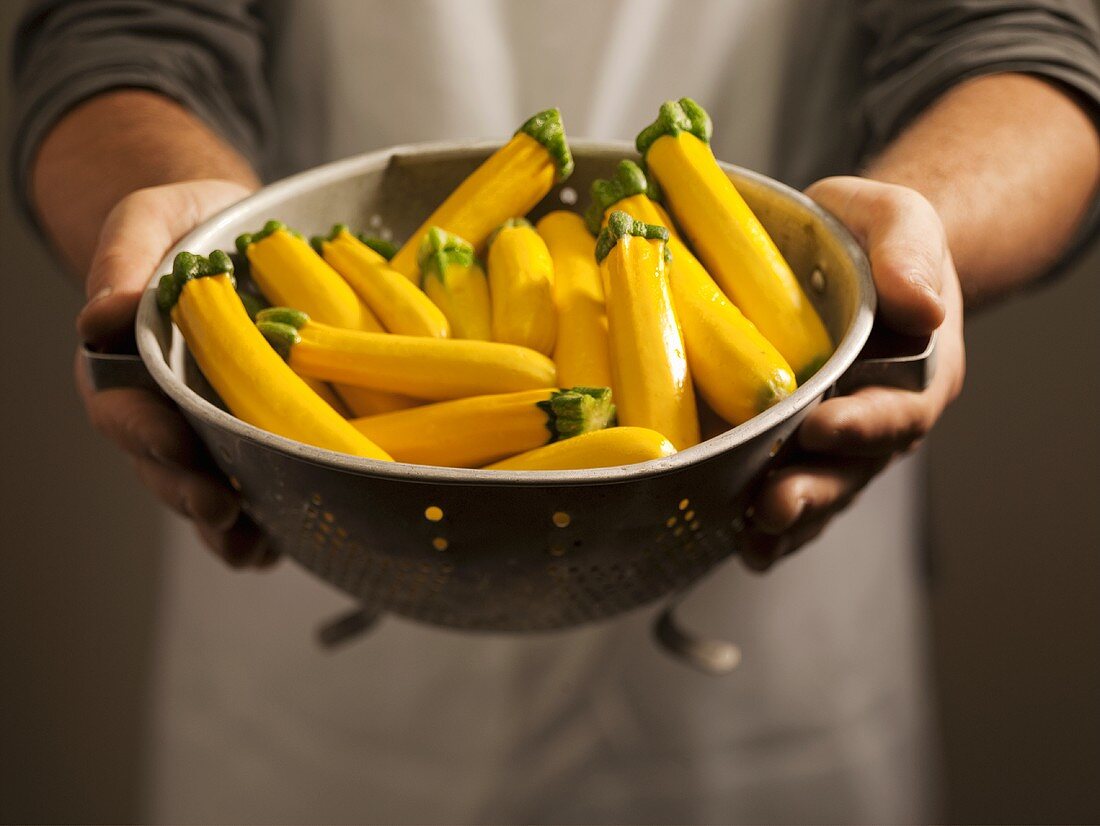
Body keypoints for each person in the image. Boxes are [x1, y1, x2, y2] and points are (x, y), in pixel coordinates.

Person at [11, 0, 1100, 822]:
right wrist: (178, 243)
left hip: (765, 554)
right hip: (314, 552)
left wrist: (915, 239)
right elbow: (117, 30)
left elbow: (1029, 38)